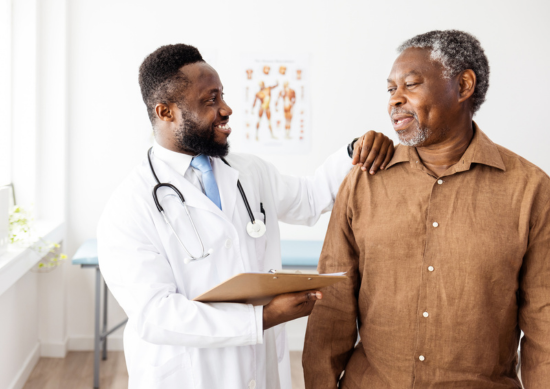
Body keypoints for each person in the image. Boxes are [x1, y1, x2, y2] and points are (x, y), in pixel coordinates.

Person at [97, 43, 394, 389]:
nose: (226, 109)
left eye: (222, 96)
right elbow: (155, 315)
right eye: (210, 100)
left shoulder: (248, 172)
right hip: (188, 376)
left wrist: (355, 150)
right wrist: (263, 318)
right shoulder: (130, 205)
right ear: (166, 112)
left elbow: (311, 199)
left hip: (258, 369)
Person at [303, 30, 550, 388]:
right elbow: (333, 305)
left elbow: (544, 323)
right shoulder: (363, 180)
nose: (395, 101)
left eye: (411, 85)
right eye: (391, 90)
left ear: (463, 85)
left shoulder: (530, 189)